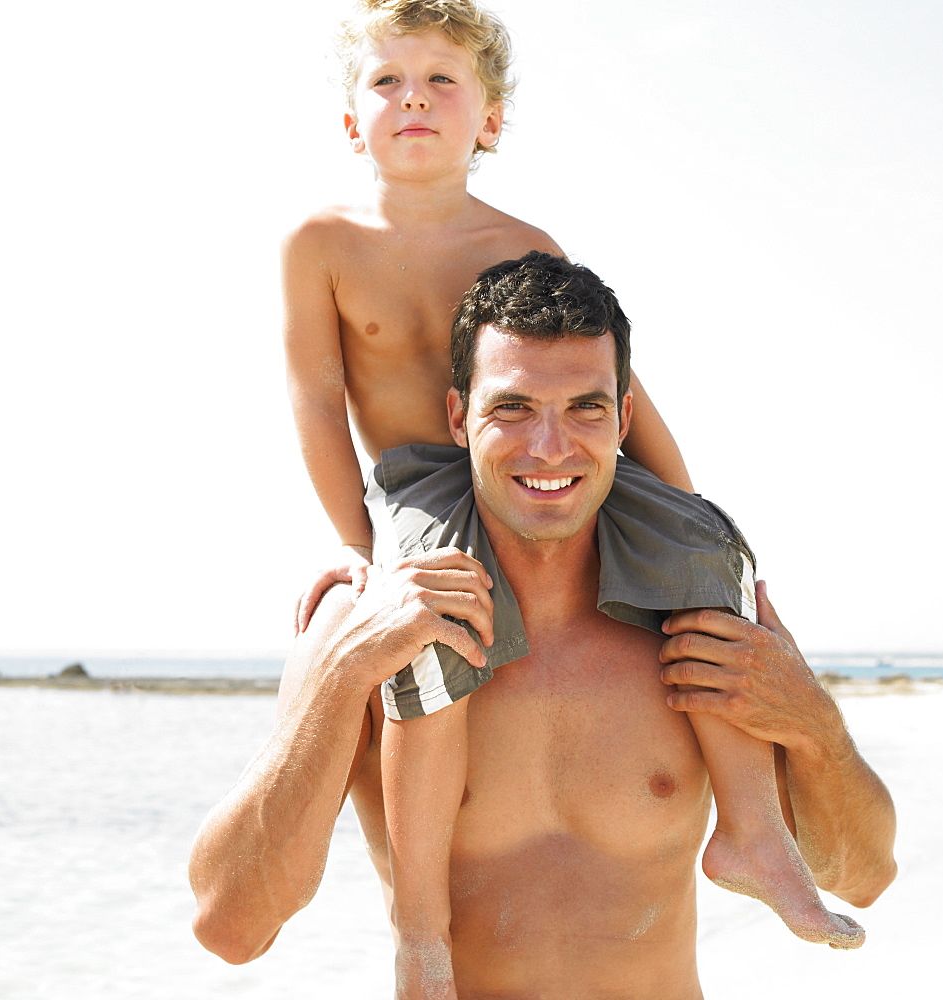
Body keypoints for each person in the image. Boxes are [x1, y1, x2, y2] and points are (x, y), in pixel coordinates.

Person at [190, 254, 896, 998]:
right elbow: (230, 928)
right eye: (514, 408)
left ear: (624, 419)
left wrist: (816, 726)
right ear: (460, 418)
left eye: (586, 408)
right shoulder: (368, 624)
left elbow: (863, 877)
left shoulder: (696, 623)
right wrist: (339, 678)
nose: (551, 448)